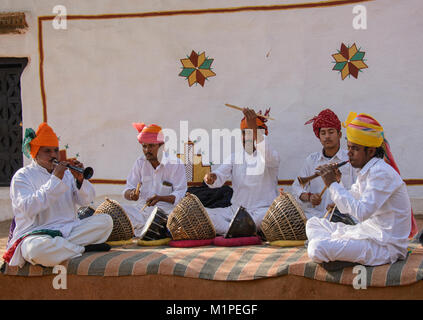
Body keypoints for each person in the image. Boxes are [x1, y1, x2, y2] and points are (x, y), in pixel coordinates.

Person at [306, 112, 418, 268]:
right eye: (349, 147)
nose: (349, 153)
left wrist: (332, 184)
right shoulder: (366, 170)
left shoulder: (381, 173)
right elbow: (351, 200)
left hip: (384, 246)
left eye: (355, 149)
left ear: (371, 151)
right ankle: (336, 251)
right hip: (366, 233)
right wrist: (338, 184)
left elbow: (362, 212)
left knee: (316, 248)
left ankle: (333, 250)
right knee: (313, 224)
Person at [3, 123, 113, 268]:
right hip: (36, 234)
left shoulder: (66, 174)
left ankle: (63, 249)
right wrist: (55, 180)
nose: (54, 155)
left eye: (55, 150)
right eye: (47, 151)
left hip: (68, 230)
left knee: (105, 221)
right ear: (35, 153)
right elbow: (29, 208)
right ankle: (82, 248)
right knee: (34, 250)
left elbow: (87, 201)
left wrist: (80, 180)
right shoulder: (22, 176)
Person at [204, 108, 280, 235]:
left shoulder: (271, 156)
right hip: (235, 211)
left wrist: (254, 128)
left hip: (261, 211)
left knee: (268, 218)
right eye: (244, 133)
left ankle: (233, 229)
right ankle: (238, 229)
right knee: (204, 213)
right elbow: (219, 176)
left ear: (259, 135)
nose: (247, 138)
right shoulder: (234, 157)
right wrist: (212, 177)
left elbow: (265, 150)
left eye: (251, 133)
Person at [122, 123, 187, 237]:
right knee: (119, 211)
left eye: (151, 146)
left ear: (161, 146)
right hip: (141, 212)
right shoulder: (140, 162)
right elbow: (128, 189)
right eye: (144, 146)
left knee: (180, 220)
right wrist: (132, 194)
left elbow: (180, 194)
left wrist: (160, 198)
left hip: (166, 213)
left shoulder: (176, 164)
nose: (147, 150)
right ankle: (145, 229)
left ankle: (146, 230)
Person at [291, 108, 356, 219]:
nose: (327, 136)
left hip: (344, 217)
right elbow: (296, 187)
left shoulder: (350, 159)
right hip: (316, 217)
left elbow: (358, 189)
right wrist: (309, 197)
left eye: (331, 132)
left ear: (339, 134)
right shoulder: (311, 160)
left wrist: (340, 203)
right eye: (323, 133)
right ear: (319, 137)